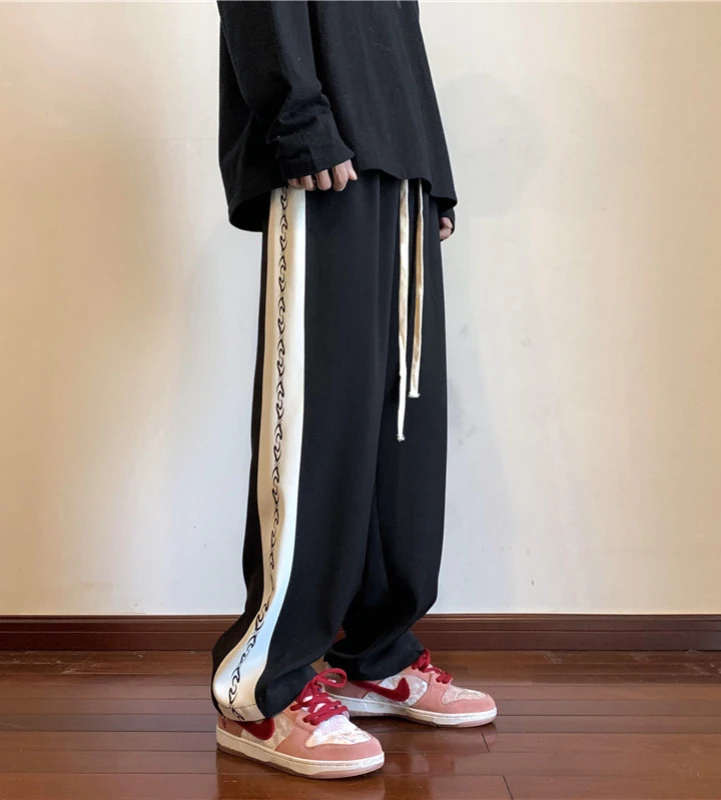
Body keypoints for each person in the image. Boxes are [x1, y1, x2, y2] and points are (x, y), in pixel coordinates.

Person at [210, 0, 496, 779]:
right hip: (324, 143)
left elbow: (394, 30)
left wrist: (431, 170)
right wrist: (297, 119)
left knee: (401, 426)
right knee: (320, 423)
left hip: (398, 161)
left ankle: (375, 654)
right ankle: (262, 693)